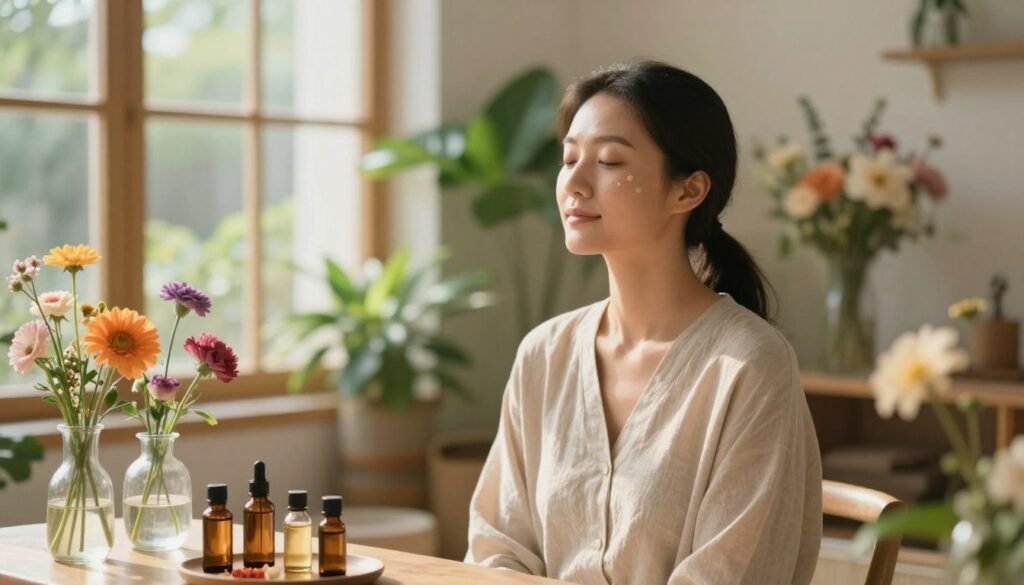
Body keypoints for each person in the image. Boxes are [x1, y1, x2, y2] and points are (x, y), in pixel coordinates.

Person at [465, 61, 822, 585]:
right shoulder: (544, 353)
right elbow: (497, 549)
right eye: (569, 159)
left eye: (609, 161)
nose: (574, 184)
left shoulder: (750, 365)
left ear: (688, 191)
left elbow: (730, 575)